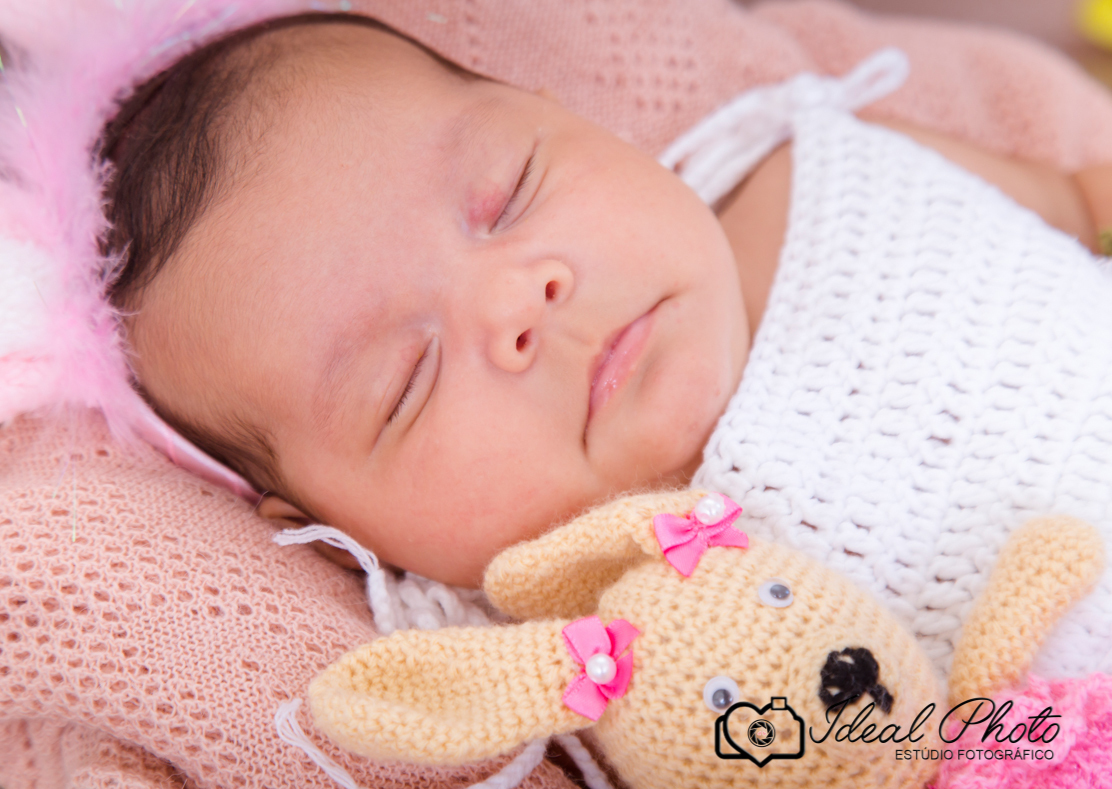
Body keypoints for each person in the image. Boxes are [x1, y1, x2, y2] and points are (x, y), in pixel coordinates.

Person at [105, 12, 1110, 602]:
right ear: (342, 539)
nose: (519, 298)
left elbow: (1086, 198)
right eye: (406, 381)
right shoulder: (578, 650)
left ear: (578, 121)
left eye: (511, 192)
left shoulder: (819, 176)